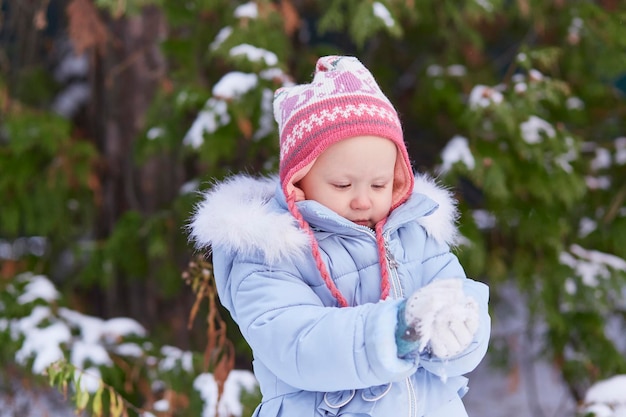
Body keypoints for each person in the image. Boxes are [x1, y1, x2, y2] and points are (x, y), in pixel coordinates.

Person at [189, 55, 490, 417]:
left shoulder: (414, 233)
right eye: (342, 184)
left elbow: (457, 298)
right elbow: (296, 343)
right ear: (297, 180)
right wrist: (392, 332)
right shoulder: (271, 252)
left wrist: (460, 331)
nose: (363, 199)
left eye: (379, 184)